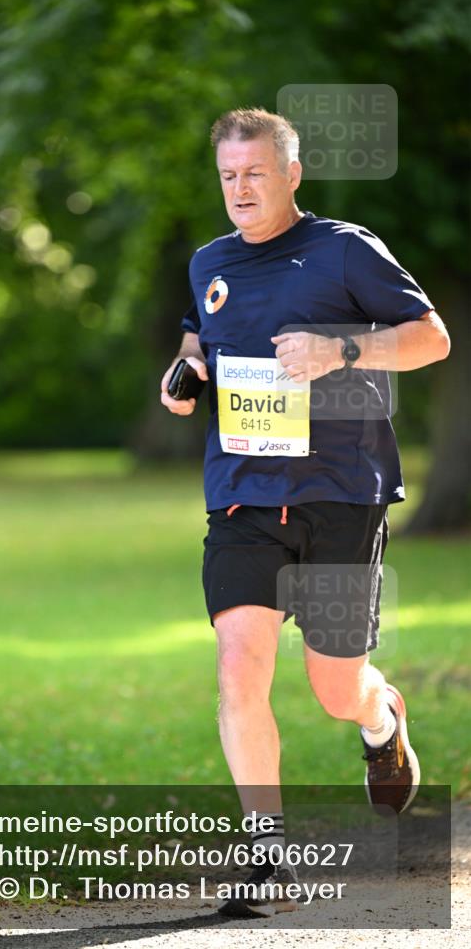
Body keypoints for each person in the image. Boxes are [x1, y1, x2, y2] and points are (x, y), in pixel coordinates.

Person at [160, 108, 450, 917]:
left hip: (340, 493)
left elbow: (430, 339)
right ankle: (265, 857)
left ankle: (379, 716)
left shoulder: (344, 250)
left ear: (291, 174)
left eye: (254, 173)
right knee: (237, 669)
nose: (240, 189)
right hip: (243, 496)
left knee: (332, 688)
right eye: (227, 176)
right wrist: (181, 377)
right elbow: (197, 341)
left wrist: (341, 350)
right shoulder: (209, 262)